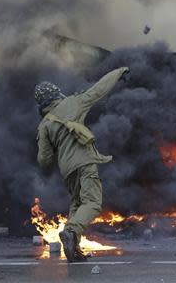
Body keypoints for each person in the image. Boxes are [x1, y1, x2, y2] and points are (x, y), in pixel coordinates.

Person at [35, 67, 129, 262]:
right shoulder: (73, 103)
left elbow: (44, 160)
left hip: (68, 170)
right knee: (93, 203)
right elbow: (98, 90)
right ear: (56, 93)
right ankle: (70, 232)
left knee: (77, 204)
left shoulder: (44, 124)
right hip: (85, 163)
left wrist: (56, 146)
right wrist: (118, 73)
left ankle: (74, 248)